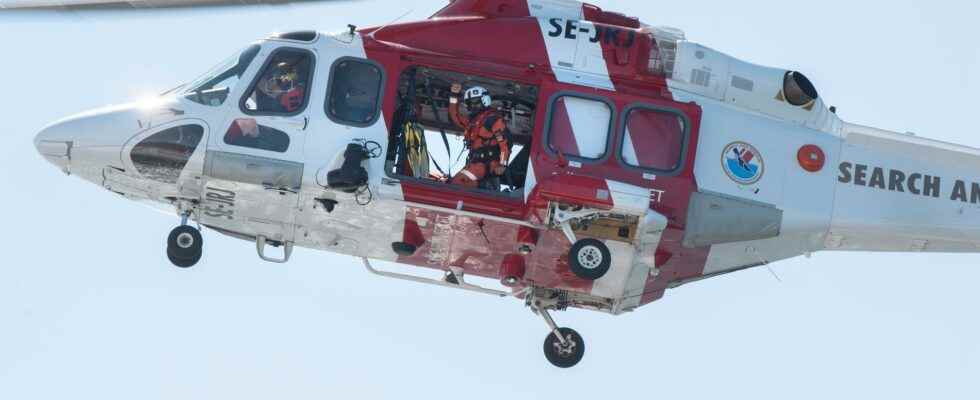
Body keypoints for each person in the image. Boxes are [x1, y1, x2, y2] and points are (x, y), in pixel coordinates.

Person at [447, 83, 510, 188]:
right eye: (470, 104)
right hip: (475, 163)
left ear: (485, 101)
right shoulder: (473, 121)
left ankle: (484, 186)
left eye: (476, 103)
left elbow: (504, 144)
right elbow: (455, 117)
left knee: (457, 184)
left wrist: (503, 164)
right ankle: (484, 187)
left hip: (486, 164)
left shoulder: (493, 120)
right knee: (451, 183)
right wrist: (454, 95)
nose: (473, 106)